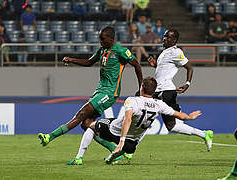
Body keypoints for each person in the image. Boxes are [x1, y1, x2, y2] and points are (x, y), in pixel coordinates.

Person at [38, 26, 143, 155]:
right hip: (99, 91)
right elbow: (89, 62)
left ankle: (50, 137)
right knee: (86, 124)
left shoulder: (121, 51)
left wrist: (140, 88)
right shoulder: (102, 50)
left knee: (81, 113)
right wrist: (71, 60)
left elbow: (137, 65)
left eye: (103, 39)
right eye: (100, 39)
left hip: (110, 92)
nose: (101, 42)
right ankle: (116, 150)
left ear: (111, 38)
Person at [67, 77, 202, 165]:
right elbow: (180, 116)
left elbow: (128, 119)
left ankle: (79, 157)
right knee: (127, 146)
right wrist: (190, 116)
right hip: (132, 144)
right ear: (154, 90)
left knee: (89, 126)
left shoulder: (132, 100)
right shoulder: (159, 104)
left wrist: (121, 140)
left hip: (115, 131)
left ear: (141, 88)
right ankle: (112, 157)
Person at [148, 29, 213, 152]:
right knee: (168, 125)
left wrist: (187, 83)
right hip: (159, 90)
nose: (164, 38)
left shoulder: (176, 52)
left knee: (163, 123)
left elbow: (189, 68)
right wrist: (156, 65)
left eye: (168, 37)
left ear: (174, 40)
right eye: (164, 36)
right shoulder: (164, 52)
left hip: (166, 92)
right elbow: (165, 70)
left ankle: (127, 150)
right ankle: (204, 134)